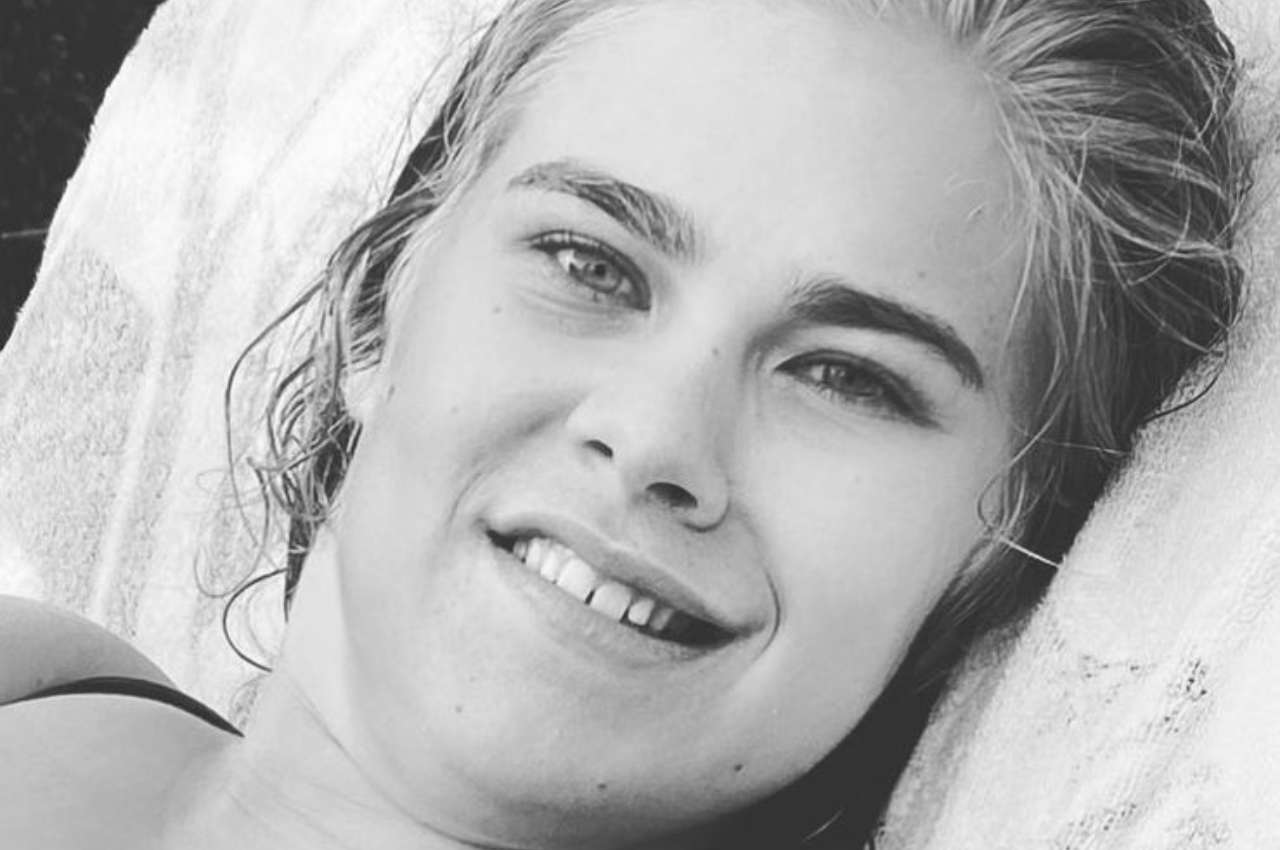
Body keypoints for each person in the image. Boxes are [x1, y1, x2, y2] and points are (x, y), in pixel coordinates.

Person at [0, 0, 1253, 847]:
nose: (655, 436)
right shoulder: (36, 676)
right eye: (589, 264)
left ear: (998, 553)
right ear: (377, 300)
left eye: (846, 377)